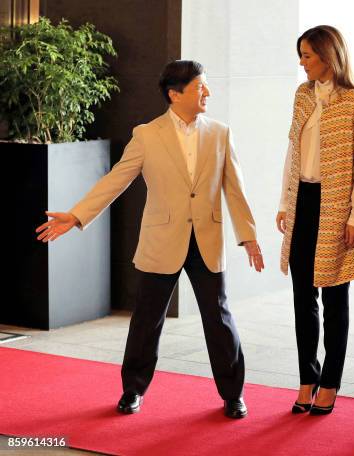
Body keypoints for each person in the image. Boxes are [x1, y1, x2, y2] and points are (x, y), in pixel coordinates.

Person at [35, 60, 264, 419]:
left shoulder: (220, 133)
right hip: (162, 239)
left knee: (218, 318)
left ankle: (233, 394)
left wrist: (248, 237)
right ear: (175, 94)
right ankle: (132, 390)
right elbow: (117, 179)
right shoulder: (147, 134)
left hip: (206, 239)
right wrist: (77, 214)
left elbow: (235, 190)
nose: (208, 92)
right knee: (147, 320)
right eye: (200, 86)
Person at [276, 25, 354, 415]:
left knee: (334, 294)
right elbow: (293, 148)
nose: (302, 63)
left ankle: (331, 382)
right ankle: (307, 378)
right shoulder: (302, 95)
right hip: (303, 199)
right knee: (304, 296)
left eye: (308, 56)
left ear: (328, 56)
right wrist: (284, 201)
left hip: (337, 204)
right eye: (300, 55)